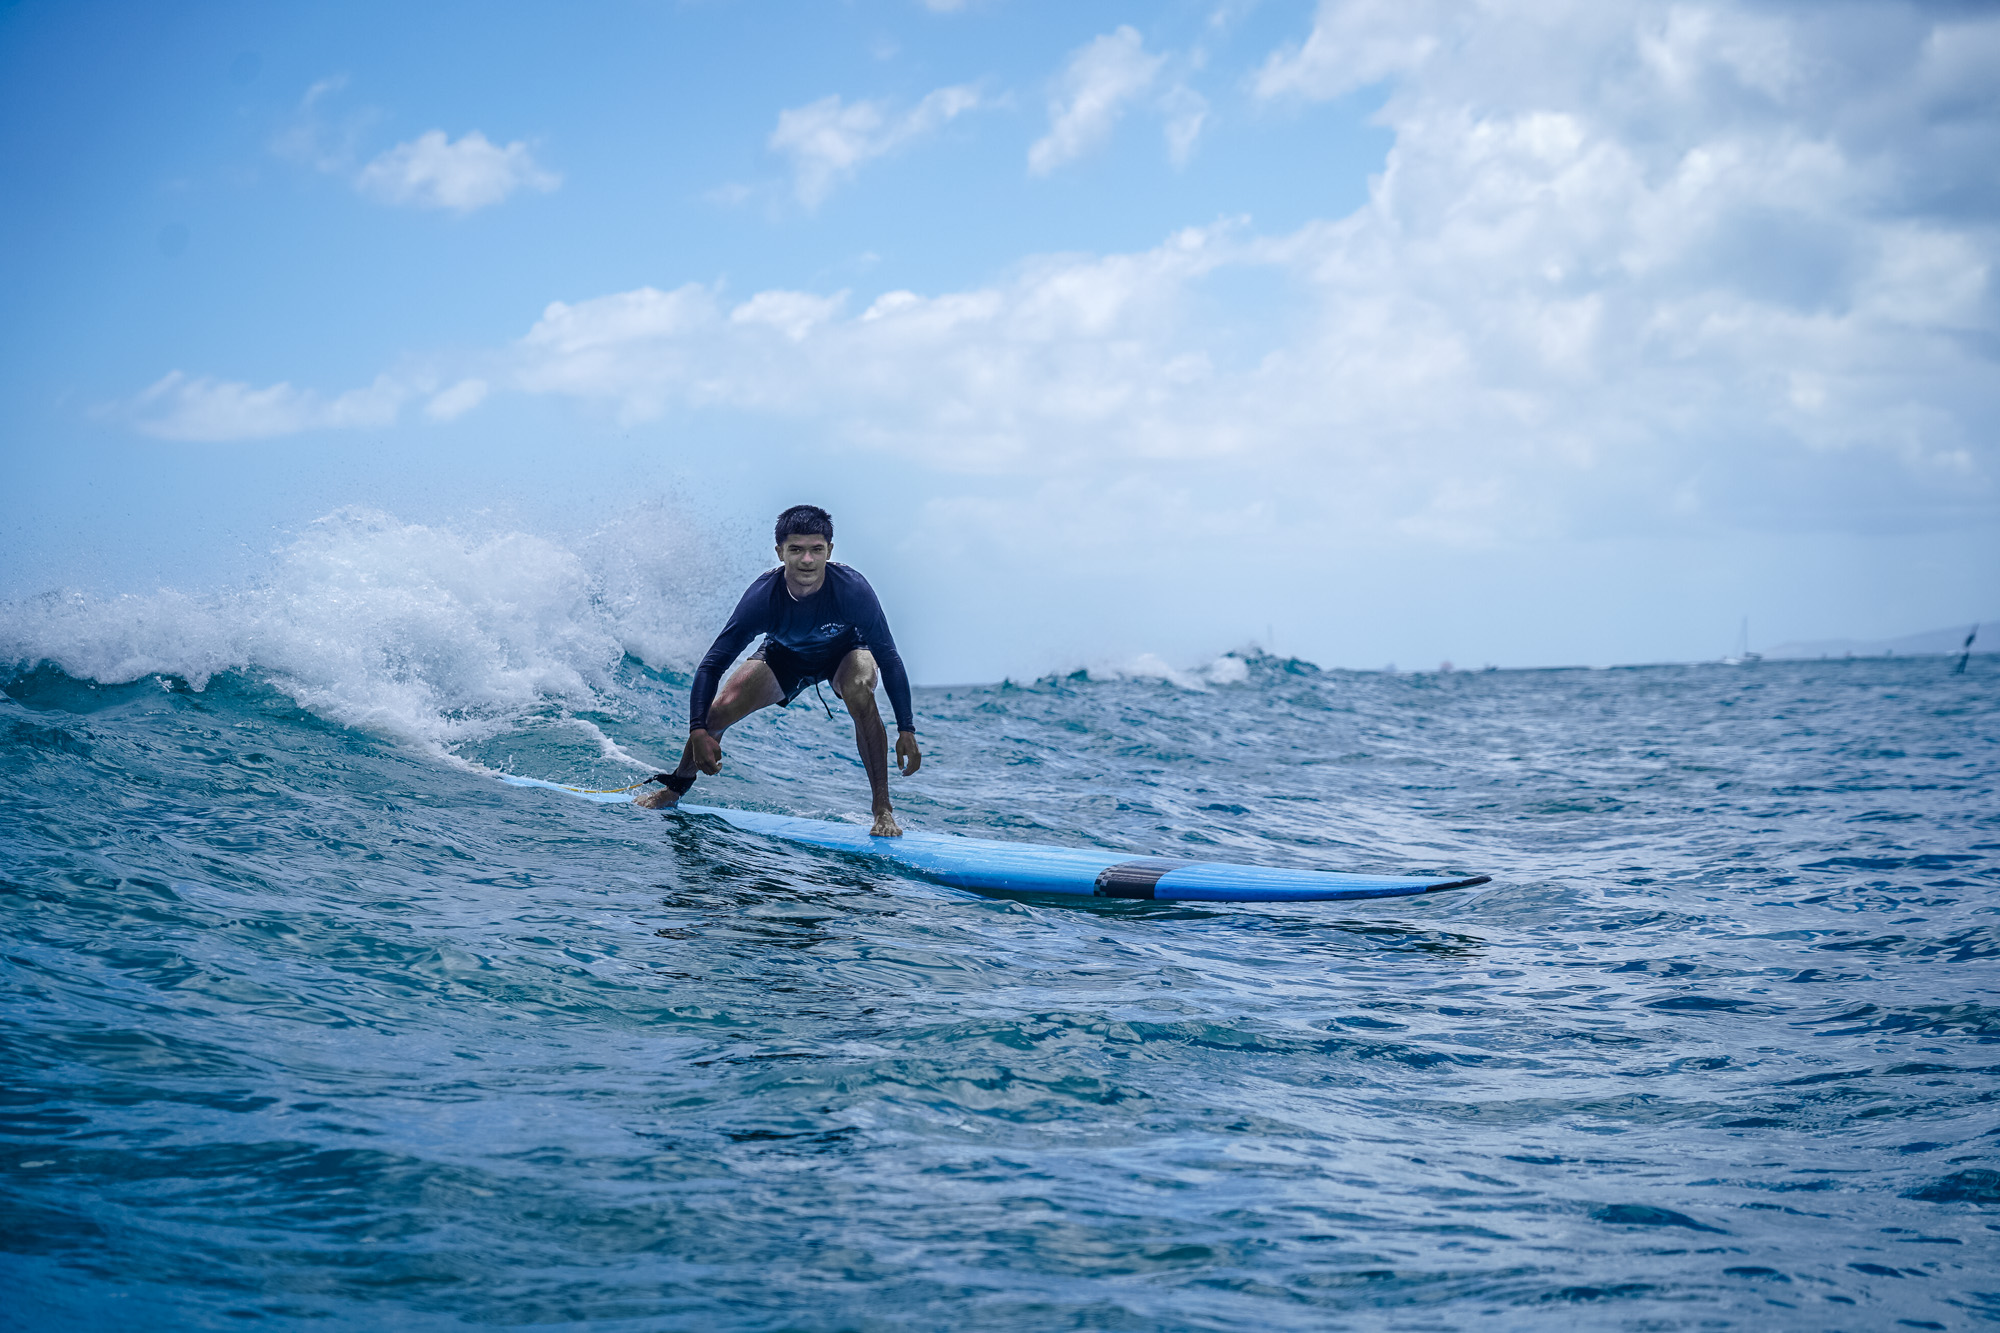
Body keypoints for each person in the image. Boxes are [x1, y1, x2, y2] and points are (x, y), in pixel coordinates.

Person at [636, 505, 921, 835]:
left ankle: (882, 810)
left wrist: (906, 729)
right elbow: (712, 664)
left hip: (845, 653)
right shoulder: (763, 597)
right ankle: (674, 788)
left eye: (817, 550)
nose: (807, 560)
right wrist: (698, 731)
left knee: (859, 689)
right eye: (796, 550)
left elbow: (889, 658)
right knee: (720, 710)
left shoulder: (853, 590)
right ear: (780, 552)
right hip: (785, 656)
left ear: (829, 550)